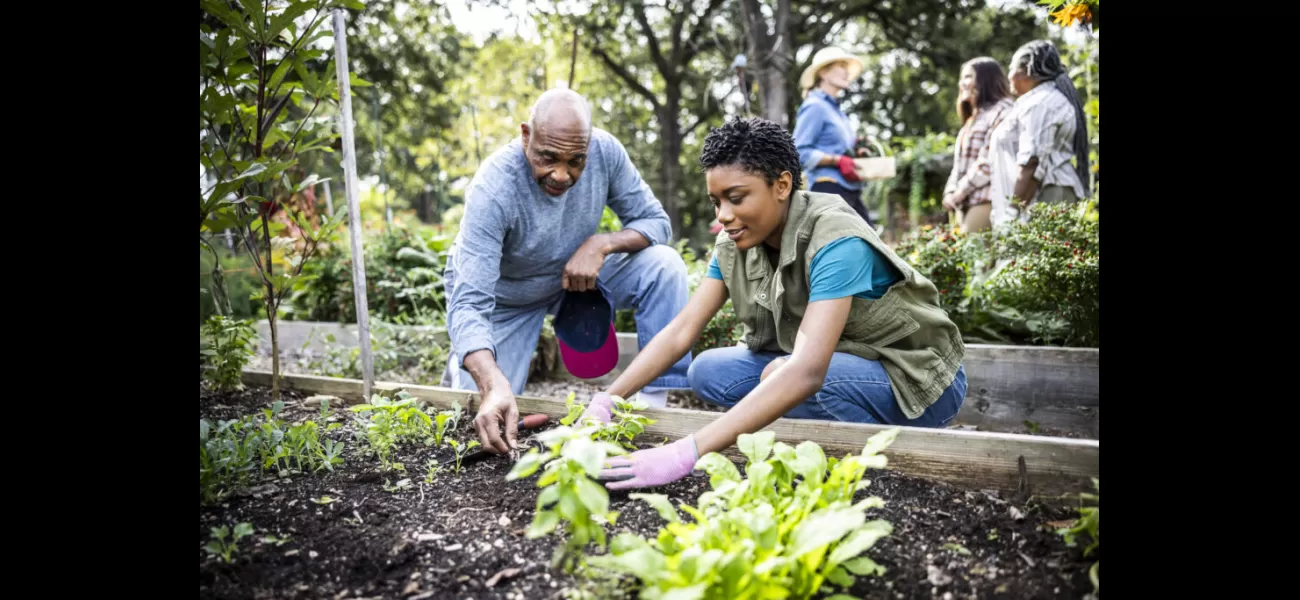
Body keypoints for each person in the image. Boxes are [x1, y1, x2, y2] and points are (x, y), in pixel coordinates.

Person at [573, 117, 967, 491]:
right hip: (844, 363)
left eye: (736, 198)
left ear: (782, 185)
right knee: (708, 371)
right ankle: (816, 432)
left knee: (785, 375)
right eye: (716, 202)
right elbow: (681, 332)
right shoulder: (734, 243)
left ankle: (891, 459)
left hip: (916, 381)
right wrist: (608, 400)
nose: (723, 216)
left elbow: (807, 373)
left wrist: (685, 452)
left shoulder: (836, 238)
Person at [442, 89, 692, 455]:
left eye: (576, 160)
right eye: (548, 158)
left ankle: (653, 407)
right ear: (526, 136)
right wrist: (491, 381)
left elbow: (655, 222)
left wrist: (600, 244)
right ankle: (467, 375)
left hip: (576, 280)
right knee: (475, 419)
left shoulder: (605, 151)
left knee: (665, 265)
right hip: (506, 298)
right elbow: (468, 304)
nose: (562, 174)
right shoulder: (494, 188)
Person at [988, 40, 1091, 228]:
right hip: (1045, 194)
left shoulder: (1040, 104)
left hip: (1047, 196)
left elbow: (1032, 162)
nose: (1008, 76)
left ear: (1026, 70)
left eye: (1011, 68)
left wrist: (1013, 211)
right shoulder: (1043, 99)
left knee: (1044, 255)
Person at [791, 46, 875, 226]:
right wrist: (836, 160)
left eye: (846, 67)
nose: (846, 72)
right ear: (823, 73)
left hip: (849, 189)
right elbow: (798, 152)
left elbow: (843, 149)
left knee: (871, 243)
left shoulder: (838, 112)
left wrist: (858, 150)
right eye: (841, 66)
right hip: (827, 189)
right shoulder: (815, 106)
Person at [942, 57, 1015, 233]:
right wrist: (950, 191)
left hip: (987, 198)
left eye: (968, 77)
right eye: (962, 78)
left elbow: (988, 161)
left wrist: (960, 192)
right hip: (965, 200)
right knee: (963, 256)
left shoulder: (1002, 110)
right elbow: (959, 165)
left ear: (986, 80)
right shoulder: (973, 118)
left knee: (974, 257)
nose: (962, 83)